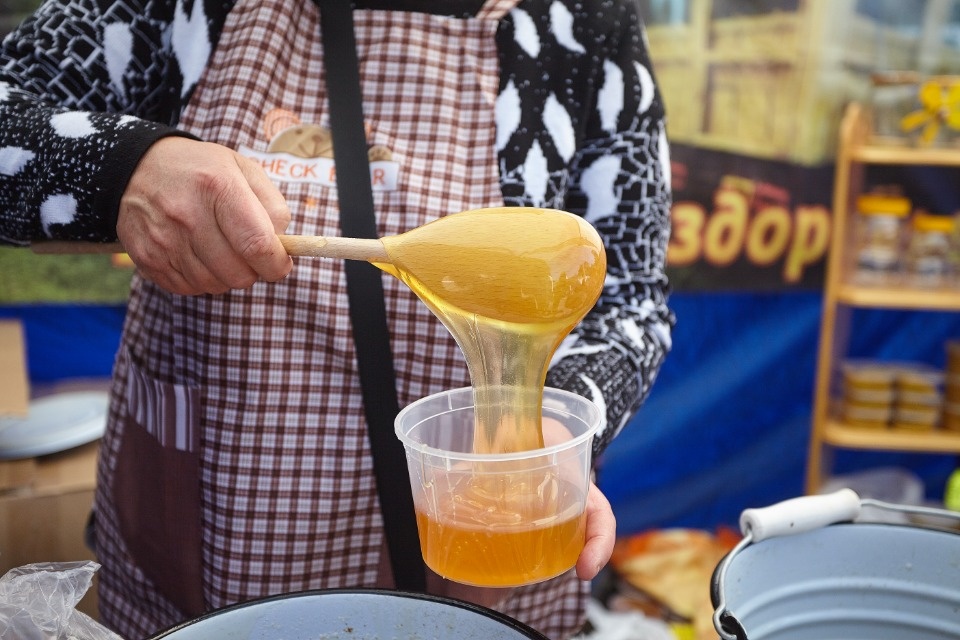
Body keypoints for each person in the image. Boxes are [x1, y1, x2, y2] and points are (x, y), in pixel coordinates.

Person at [0, 0, 674, 637]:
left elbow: (632, 301)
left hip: (487, 582)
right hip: (203, 574)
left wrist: (559, 425)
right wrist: (124, 169)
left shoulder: (583, 25)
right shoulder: (187, 8)